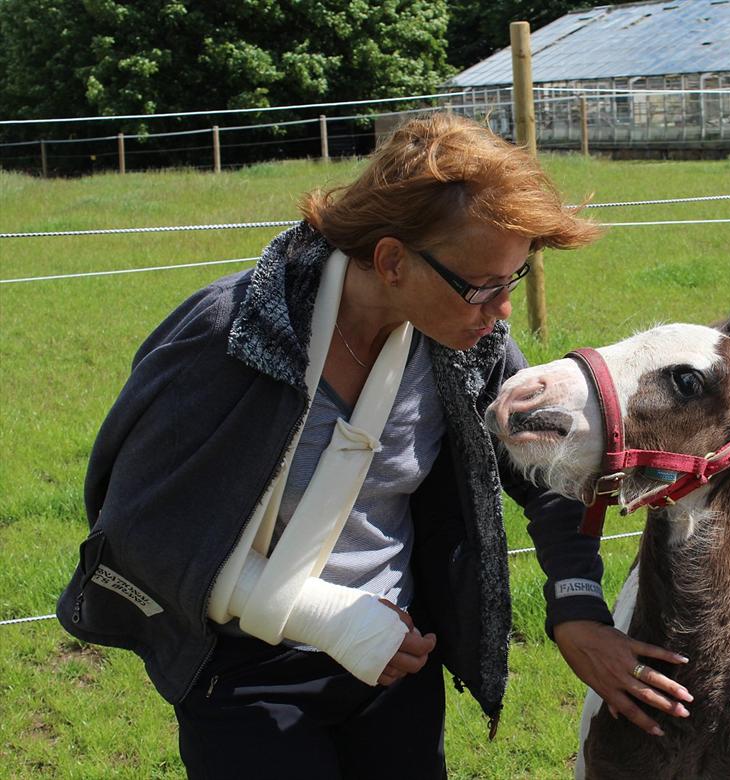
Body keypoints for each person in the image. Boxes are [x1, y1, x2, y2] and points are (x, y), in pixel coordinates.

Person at [56, 113, 692, 779]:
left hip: (396, 666)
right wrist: (335, 621)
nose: (503, 310)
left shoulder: (468, 343)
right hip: (243, 677)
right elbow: (134, 532)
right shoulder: (225, 336)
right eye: (484, 285)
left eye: (516, 278)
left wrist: (576, 610)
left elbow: (547, 468)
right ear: (391, 261)